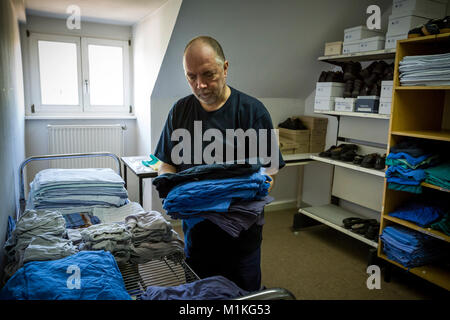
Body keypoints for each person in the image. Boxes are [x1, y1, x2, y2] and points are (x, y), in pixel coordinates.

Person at [154, 35, 285, 291]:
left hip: (242, 238)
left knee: (244, 298)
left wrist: (228, 200)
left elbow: (270, 172)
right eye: (191, 76)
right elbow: (166, 163)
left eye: (208, 74)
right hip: (197, 235)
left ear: (225, 68)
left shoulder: (252, 111)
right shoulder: (180, 111)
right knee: (201, 296)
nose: (200, 85)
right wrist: (172, 188)